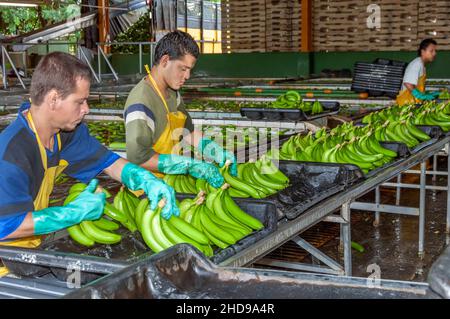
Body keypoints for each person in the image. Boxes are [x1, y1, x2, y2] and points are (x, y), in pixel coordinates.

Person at [0, 52, 179, 249]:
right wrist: (72, 213)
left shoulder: (65, 133)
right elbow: (6, 225)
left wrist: (146, 180)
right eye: (80, 101)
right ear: (53, 99)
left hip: (31, 248)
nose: (87, 109)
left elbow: (109, 163)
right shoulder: (11, 154)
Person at [124, 30, 237, 187]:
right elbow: (138, 158)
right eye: (183, 69)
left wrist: (216, 151)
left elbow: (188, 131)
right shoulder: (141, 102)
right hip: (147, 189)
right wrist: (188, 165)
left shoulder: (172, 92)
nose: (188, 76)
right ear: (165, 60)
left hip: (171, 181)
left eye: (190, 69)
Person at [396, 38, 440, 105]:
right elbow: (408, 83)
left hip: (413, 103)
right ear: (422, 52)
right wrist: (421, 96)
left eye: (435, 51)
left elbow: (416, 86)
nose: (434, 53)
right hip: (406, 103)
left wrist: (427, 93)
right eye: (431, 51)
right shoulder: (417, 64)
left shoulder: (422, 65)